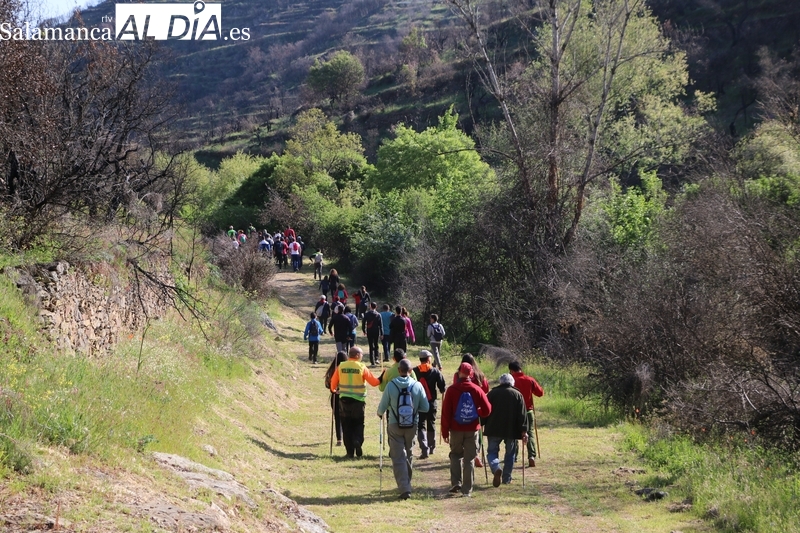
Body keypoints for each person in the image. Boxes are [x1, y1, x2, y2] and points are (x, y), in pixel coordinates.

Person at [376, 359, 429, 500]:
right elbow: (425, 407)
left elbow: (382, 407)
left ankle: (404, 487)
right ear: (411, 371)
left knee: (398, 456)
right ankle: (407, 483)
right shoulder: (417, 385)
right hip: (412, 425)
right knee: (409, 452)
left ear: (399, 370)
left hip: (394, 424)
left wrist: (380, 413)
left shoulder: (391, 385)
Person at [441, 362, 491, 497]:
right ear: (471, 374)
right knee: (469, 459)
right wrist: (477, 412)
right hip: (472, 429)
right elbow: (487, 410)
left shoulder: (451, 390)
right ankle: (467, 490)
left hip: (455, 429)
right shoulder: (477, 389)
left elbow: (446, 413)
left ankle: (456, 482)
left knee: (455, 455)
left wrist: (444, 432)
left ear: (459, 372)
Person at [329, 347, 381, 458]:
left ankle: (349, 452)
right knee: (358, 424)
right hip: (358, 401)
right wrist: (382, 377)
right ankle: (357, 440)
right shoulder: (361, 367)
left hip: (344, 401)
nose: (362, 356)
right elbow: (374, 382)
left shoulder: (341, 366)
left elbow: (333, 383)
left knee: (346, 425)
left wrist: (334, 390)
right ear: (357, 355)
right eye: (362, 354)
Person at [483, 373, 528, 486]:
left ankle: (496, 468)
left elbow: (485, 410)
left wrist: (481, 422)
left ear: (500, 382)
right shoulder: (517, 394)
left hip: (493, 429)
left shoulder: (492, 393)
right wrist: (524, 430)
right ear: (512, 383)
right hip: (511, 430)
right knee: (510, 453)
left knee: (492, 452)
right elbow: (522, 415)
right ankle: (506, 478)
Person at [508, 360, 545, 467]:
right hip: (528, 411)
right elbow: (540, 393)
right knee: (530, 433)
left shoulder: (511, 381)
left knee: (514, 433)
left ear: (511, 370)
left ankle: (513, 456)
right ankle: (531, 456)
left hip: (515, 411)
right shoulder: (530, 379)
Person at [413, 350, 446, 458]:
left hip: (419, 402)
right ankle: (431, 447)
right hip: (431, 402)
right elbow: (442, 387)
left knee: (420, 424)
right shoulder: (435, 371)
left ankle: (424, 448)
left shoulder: (414, 371)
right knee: (431, 423)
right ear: (428, 359)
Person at [325, 351, 348, 447]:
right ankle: (346, 437)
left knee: (337, 418)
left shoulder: (332, 369)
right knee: (346, 417)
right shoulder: (346, 370)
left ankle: (339, 439)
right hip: (346, 395)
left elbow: (327, 384)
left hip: (335, 396)